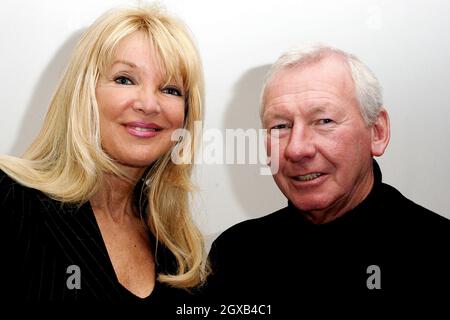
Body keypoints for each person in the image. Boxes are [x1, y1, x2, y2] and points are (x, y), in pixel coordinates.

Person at [206, 45, 450, 312]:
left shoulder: (439, 255)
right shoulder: (236, 255)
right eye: (280, 126)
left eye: (323, 121)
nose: (297, 149)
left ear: (377, 132)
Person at [0, 5, 208, 308]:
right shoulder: (10, 197)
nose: (149, 104)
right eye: (125, 79)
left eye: (171, 89)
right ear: (84, 92)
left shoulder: (181, 252)